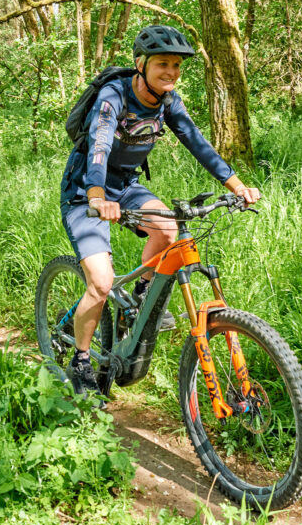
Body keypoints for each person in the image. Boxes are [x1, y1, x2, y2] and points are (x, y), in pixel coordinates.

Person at [59, 25, 261, 401]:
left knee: (169, 230)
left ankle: (139, 299)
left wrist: (237, 186)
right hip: (85, 191)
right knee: (101, 284)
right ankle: (82, 361)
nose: (171, 72)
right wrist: (98, 195)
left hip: (127, 186)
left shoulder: (168, 102)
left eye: (176, 66)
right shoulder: (113, 95)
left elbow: (198, 143)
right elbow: (100, 144)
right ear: (141, 64)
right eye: (162, 64)